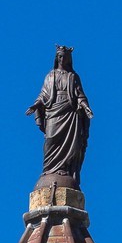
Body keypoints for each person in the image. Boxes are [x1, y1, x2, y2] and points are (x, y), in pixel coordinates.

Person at [27, 47, 93, 184]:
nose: (62, 59)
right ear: (57, 58)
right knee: (50, 140)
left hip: (69, 112)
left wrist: (86, 108)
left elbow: (79, 95)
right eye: (60, 57)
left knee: (71, 144)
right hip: (53, 111)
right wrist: (35, 106)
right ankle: (49, 169)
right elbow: (43, 95)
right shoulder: (50, 76)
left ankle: (64, 169)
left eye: (65, 57)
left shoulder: (73, 76)